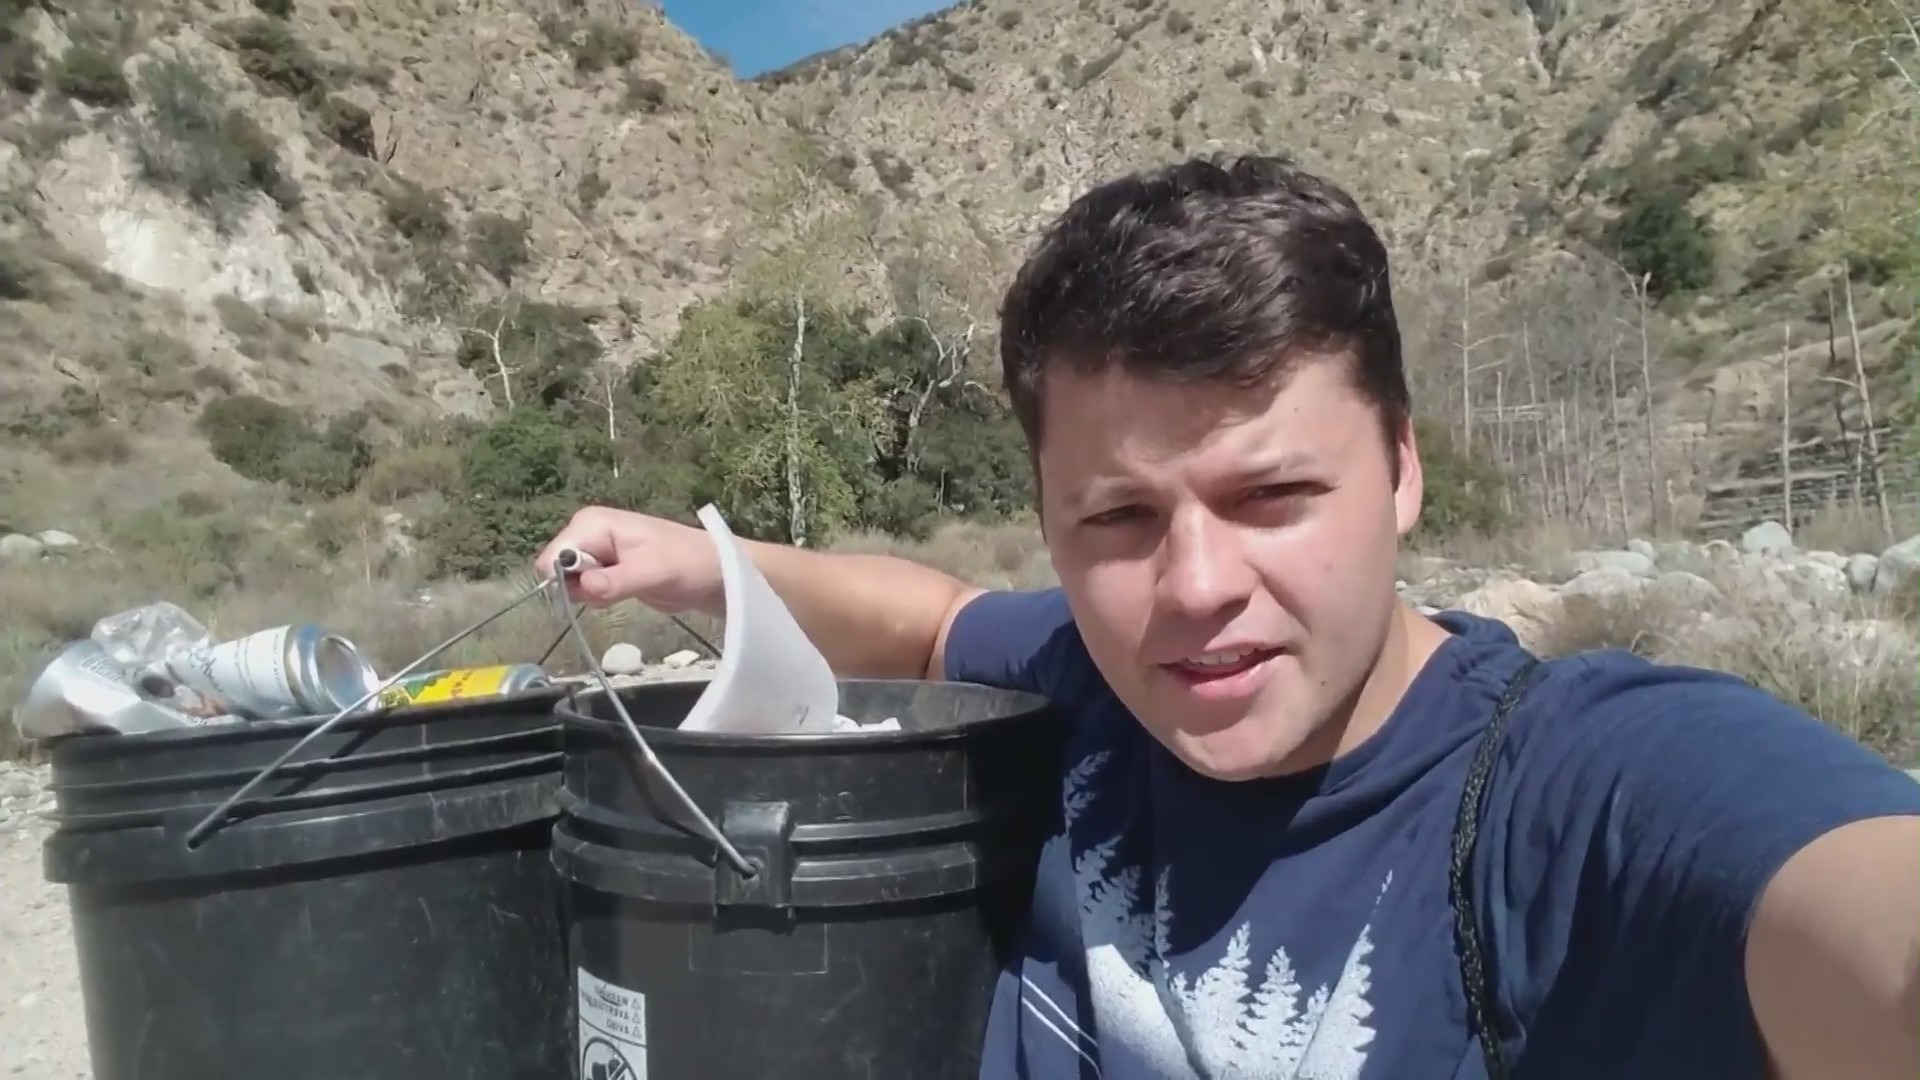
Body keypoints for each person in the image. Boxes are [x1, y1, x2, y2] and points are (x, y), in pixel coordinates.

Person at [538, 154, 1920, 1079]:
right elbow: (933, 619)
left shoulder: (1580, 793)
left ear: (1400, 471)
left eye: (1271, 496)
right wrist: (694, 566)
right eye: (1121, 520)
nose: (1193, 588)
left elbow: (1857, 915)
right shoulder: (1085, 678)